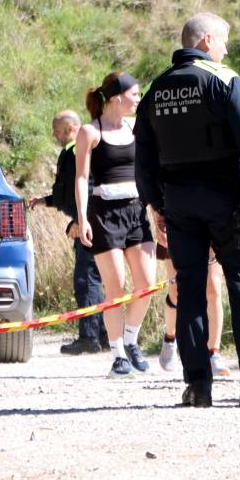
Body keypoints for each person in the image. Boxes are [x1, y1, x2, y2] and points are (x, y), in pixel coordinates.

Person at [135, 11, 240, 408]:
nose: (226, 49)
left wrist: (154, 203)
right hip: (225, 198)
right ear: (206, 41)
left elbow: (143, 154)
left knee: (189, 289)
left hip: (177, 202)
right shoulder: (223, 80)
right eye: (224, 41)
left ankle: (197, 386)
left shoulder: (156, 89)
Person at [75, 72, 158, 378]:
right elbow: (82, 179)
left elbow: (151, 169)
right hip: (104, 214)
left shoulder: (137, 128)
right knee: (116, 287)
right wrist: (82, 219)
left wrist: (158, 210)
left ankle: (132, 340)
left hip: (136, 211)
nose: (138, 99)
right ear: (115, 97)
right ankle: (117, 354)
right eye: (134, 94)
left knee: (147, 284)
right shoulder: (89, 132)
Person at [28, 110, 107, 355]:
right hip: (90, 222)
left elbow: (89, 186)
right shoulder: (76, 151)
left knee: (87, 280)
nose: (54, 135)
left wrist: (81, 220)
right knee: (95, 278)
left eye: (57, 130)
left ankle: (89, 337)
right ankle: (103, 334)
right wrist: (45, 201)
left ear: (71, 128)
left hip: (88, 225)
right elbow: (68, 192)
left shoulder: (76, 152)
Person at [154, 241, 231, 379]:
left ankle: (213, 353)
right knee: (176, 291)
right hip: (179, 224)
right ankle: (170, 338)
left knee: (213, 288)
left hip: (211, 225)